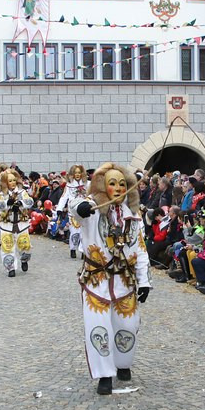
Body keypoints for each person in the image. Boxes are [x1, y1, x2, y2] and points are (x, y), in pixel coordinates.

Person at [69, 163, 151, 395]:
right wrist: (82, 207)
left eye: (122, 183)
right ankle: (104, 374)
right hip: (97, 282)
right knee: (98, 328)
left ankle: (122, 364)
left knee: (128, 326)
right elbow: (74, 207)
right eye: (112, 183)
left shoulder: (133, 216)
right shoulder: (93, 210)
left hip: (125, 281)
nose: (117, 188)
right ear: (103, 186)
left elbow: (141, 249)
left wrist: (144, 281)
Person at [0, 169, 34, 277]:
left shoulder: (22, 192)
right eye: (10, 181)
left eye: (14, 180)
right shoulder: (2, 194)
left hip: (21, 224)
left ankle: (24, 260)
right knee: (7, 246)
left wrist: (21, 203)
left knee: (25, 244)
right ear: (5, 182)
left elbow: (30, 202)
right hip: (7, 225)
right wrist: (8, 203)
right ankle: (10, 268)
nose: (12, 183)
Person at [55, 164, 88, 259]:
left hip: (85, 212)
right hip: (73, 212)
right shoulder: (69, 186)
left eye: (79, 172)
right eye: (75, 173)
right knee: (75, 232)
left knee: (84, 233)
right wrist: (59, 209)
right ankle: (73, 248)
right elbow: (64, 197)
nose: (77, 175)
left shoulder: (87, 184)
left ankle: (83, 251)